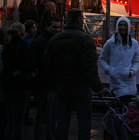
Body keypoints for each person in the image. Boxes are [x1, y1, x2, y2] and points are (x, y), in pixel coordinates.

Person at [43, 9, 109, 140]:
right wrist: (98, 88)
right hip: (81, 85)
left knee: (62, 120)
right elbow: (89, 67)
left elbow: (46, 63)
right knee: (84, 122)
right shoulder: (85, 39)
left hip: (62, 85)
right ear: (79, 20)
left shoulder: (55, 39)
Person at [29, 17, 61, 140]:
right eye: (54, 27)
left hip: (50, 84)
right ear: (47, 26)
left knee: (50, 116)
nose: (57, 29)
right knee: (46, 117)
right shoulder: (42, 42)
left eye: (58, 27)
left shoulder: (48, 41)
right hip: (46, 85)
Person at [99, 16, 139, 104]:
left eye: (125, 25)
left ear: (128, 27)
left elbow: (136, 60)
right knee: (118, 106)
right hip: (116, 80)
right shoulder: (110, 43)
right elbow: (102, 58)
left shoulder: (134, 44)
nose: (122, 27)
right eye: (120, 25)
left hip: (129, 80)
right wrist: (109, 70)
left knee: (126, 106)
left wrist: (132, 71)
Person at [2, 22, 33, 140]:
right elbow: (26, 65)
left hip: (7, 85)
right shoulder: (23, 46)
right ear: (23, 32)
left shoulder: (7, 46)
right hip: (20, 86)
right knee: (17, 122)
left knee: (10, 120)